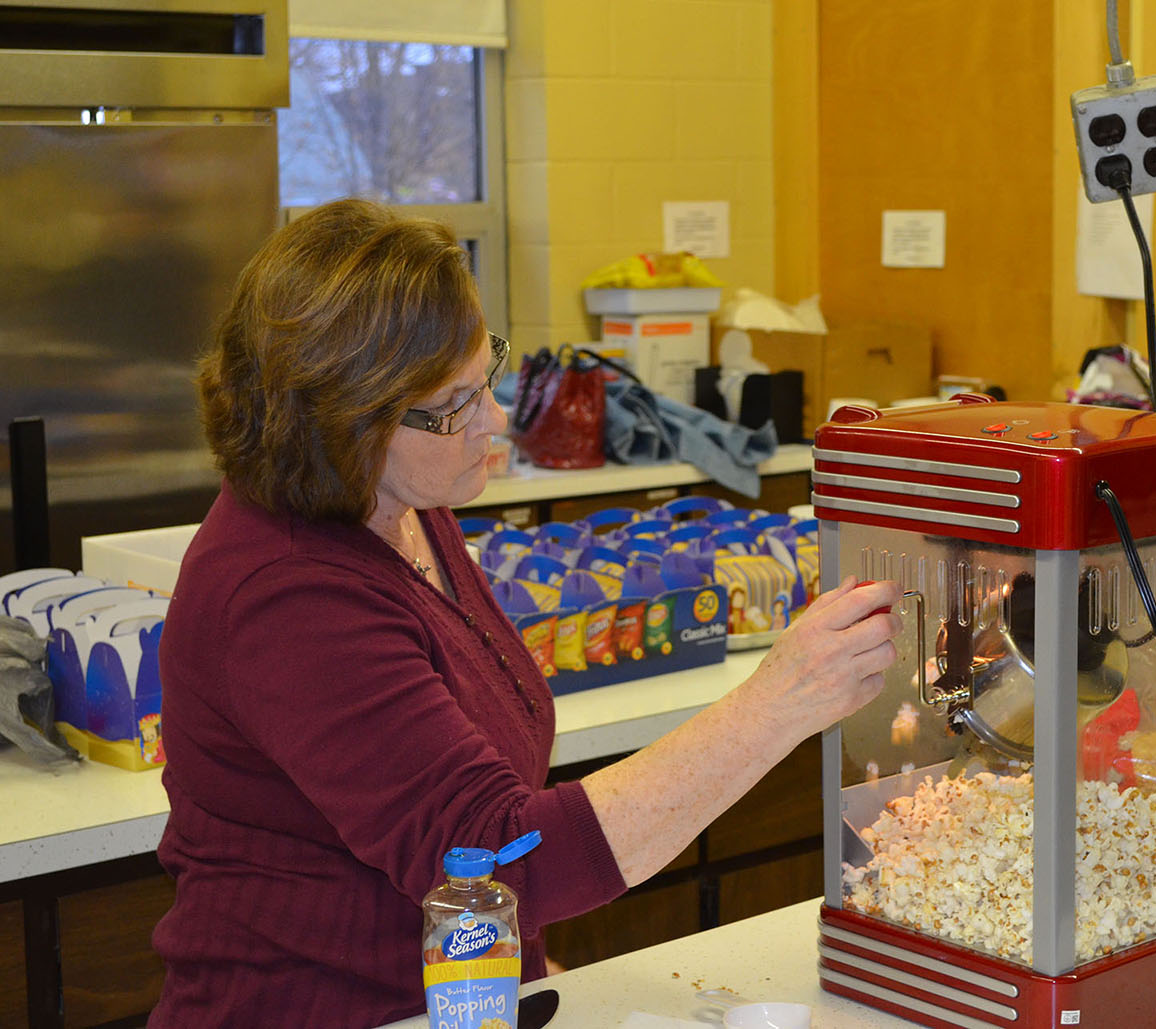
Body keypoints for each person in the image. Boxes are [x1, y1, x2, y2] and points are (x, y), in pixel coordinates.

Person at [148, 198, 902, 1027]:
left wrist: (541, 977)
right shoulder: (286, 595)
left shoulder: (404, 500)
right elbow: (498, 859)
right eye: (457, 405)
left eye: (488, 379)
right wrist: (777, 703)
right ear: (346, 419)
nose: (495, 423)